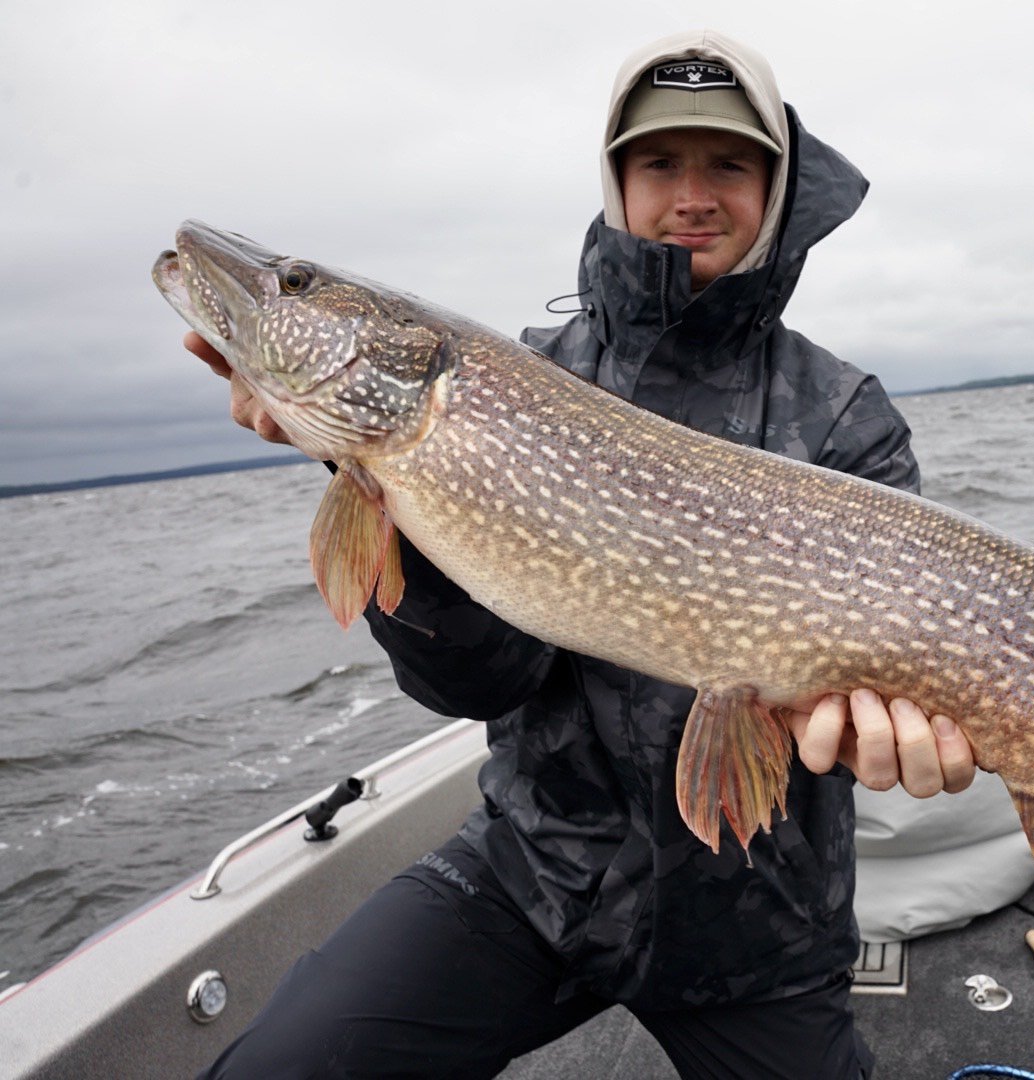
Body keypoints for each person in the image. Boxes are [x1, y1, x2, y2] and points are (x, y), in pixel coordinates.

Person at [189, 30, 979, 1079]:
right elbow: (478, 680)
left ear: (777, 189)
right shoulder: (517, 382)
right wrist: (361, 476)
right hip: (534, 881)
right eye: (658, 163)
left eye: (728, 164)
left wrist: (900, 717)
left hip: (759, 924)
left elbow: (881, 663)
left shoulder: (842, 417)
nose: (691, 193)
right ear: (614, 186)